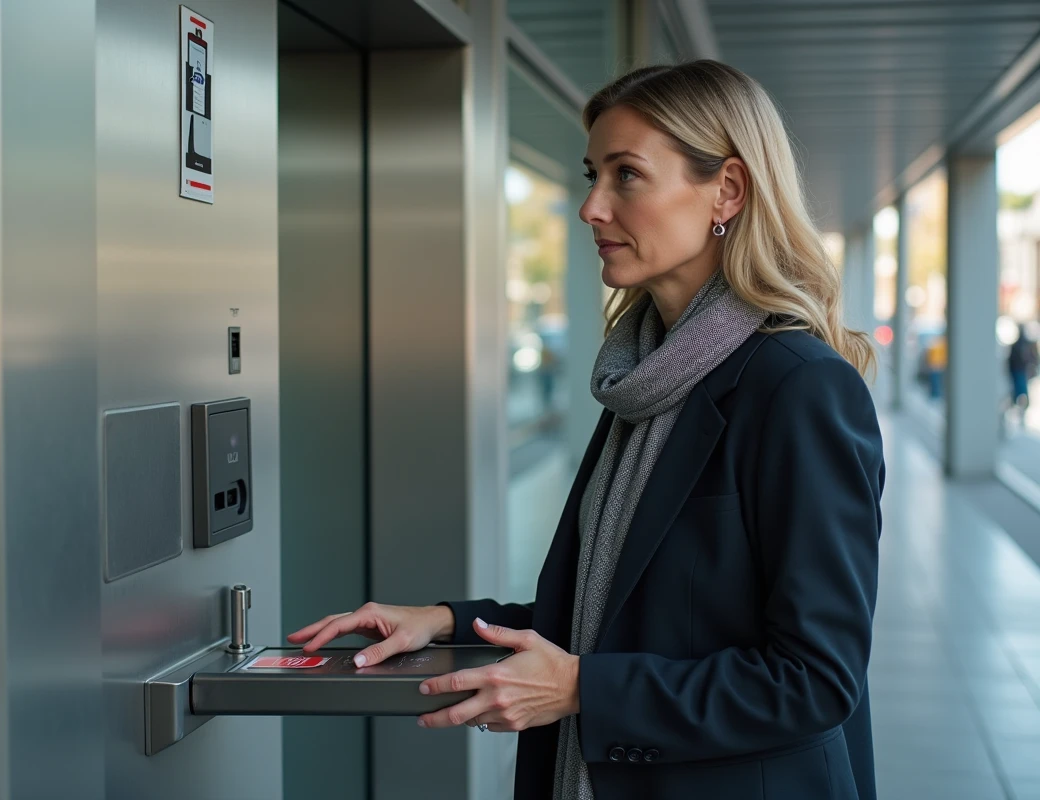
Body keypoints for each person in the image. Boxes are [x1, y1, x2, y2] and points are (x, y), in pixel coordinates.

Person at [289, 60, 884, 800]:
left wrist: (582, 690)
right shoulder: (644, 379)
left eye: (626, 175)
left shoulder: (797, 387)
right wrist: (446, 624)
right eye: (591, 175)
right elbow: (623, 614)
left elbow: (815, 680)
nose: (591, 208)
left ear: (726, 190)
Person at [1008, 326, 1038, 411]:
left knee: (1020, 388)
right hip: (1019, 370)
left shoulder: (1019, 345)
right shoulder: (1021, 345)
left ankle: (1021, 404)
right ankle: (1020, 404)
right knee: (1020, 388)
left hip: (1020, 370)